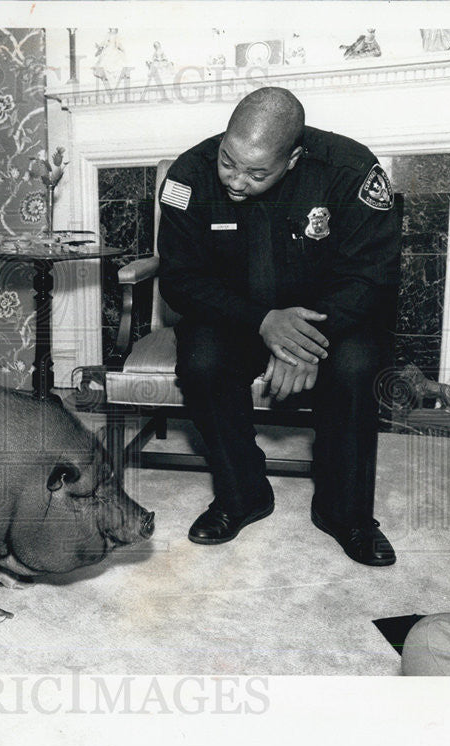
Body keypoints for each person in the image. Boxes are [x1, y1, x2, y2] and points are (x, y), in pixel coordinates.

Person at [157, 86, 401, 565]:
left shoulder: (349, 170)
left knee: (357, 366)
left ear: (292, 159)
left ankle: (345, 513)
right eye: (229, 162)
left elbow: (374, 276)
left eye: (256, 173)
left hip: (329, 317)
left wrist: (306, 342)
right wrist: (262, 321)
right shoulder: (189, 175)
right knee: (201, 360)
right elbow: (181, 282)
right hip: (238, 316)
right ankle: (242, 493)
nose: (237, 181)